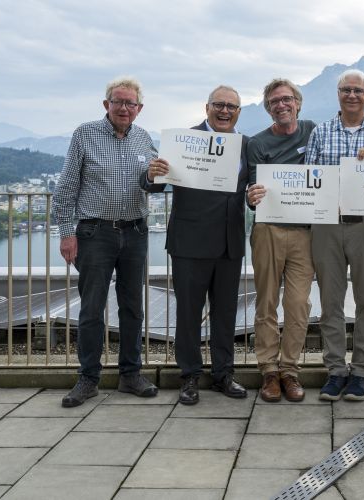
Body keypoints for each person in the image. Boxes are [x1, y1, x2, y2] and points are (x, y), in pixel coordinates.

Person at [52, 76, 159, 407]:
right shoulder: (85, 134)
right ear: (106, 105)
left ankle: (130, 375)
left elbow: (152, 185)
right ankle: (88, 378)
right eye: (118, 101)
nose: (124, 108)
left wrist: (155, 177)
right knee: (91, 308)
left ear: (139, 109)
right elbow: (67, 187)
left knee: (132, 307)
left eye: (130, 103)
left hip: (136, 232)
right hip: (94, 232)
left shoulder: (145, 139)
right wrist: (66, 233)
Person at [143, 85, 249, 405]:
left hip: (229, 244)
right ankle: (189, 375)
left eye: (231, 106)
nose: (225, 111)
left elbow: (257, 184)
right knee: (188, 314)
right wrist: (152, 174)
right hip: (189, 243)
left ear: (239, 112)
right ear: (207, 108)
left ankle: (223, 374)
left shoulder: (246, 145)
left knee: (225, 314)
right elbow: (155, 186)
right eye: (219, 105)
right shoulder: (182, 142)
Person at [305, 69, 364, 402]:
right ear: (338, 94)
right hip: (327, 225)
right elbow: (309, 177)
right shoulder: (320, 132)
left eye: (358, 90)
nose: (352, 95)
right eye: (346, 90)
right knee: (329, 302)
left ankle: (361, 371)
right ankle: (335, 370)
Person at [245, 79, 316, 402]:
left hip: (305, 231)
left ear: (298, 103)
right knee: (267, 302)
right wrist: (252, 196)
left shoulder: (314, 131)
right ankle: (268, 372)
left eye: (286, 99)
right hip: (268, 230)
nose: (281, 105)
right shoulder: (257, 143)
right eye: (274, 101)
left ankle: (290, 370)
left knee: (299, 304)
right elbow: (251, 189)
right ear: (268, 108)